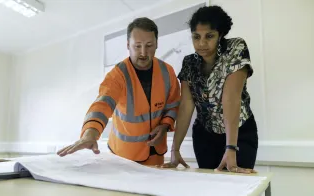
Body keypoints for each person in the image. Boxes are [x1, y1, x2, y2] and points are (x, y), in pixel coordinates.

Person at [57, 17, 180, 166]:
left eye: (149, 45)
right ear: (128, 45)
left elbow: (173, 104)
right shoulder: (117, 75)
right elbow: (102, 104)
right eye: (137, 46)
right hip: (124, 156)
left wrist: (165, 125)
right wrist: (90, 134)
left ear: (156, 44)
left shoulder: (167, 72)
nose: (143, 52)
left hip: (156, 152)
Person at [161, 5, 258, 173]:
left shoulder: (235, 48)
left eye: (209, 36)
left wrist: (231, 147)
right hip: (205, 135)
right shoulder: (189, 63)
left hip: (239, 133)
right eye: (196, 37)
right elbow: (186, 105)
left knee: (237, 187)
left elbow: (231, 97)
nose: (202, 43)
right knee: (210, 188)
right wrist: (175, 149)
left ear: (220, 34)